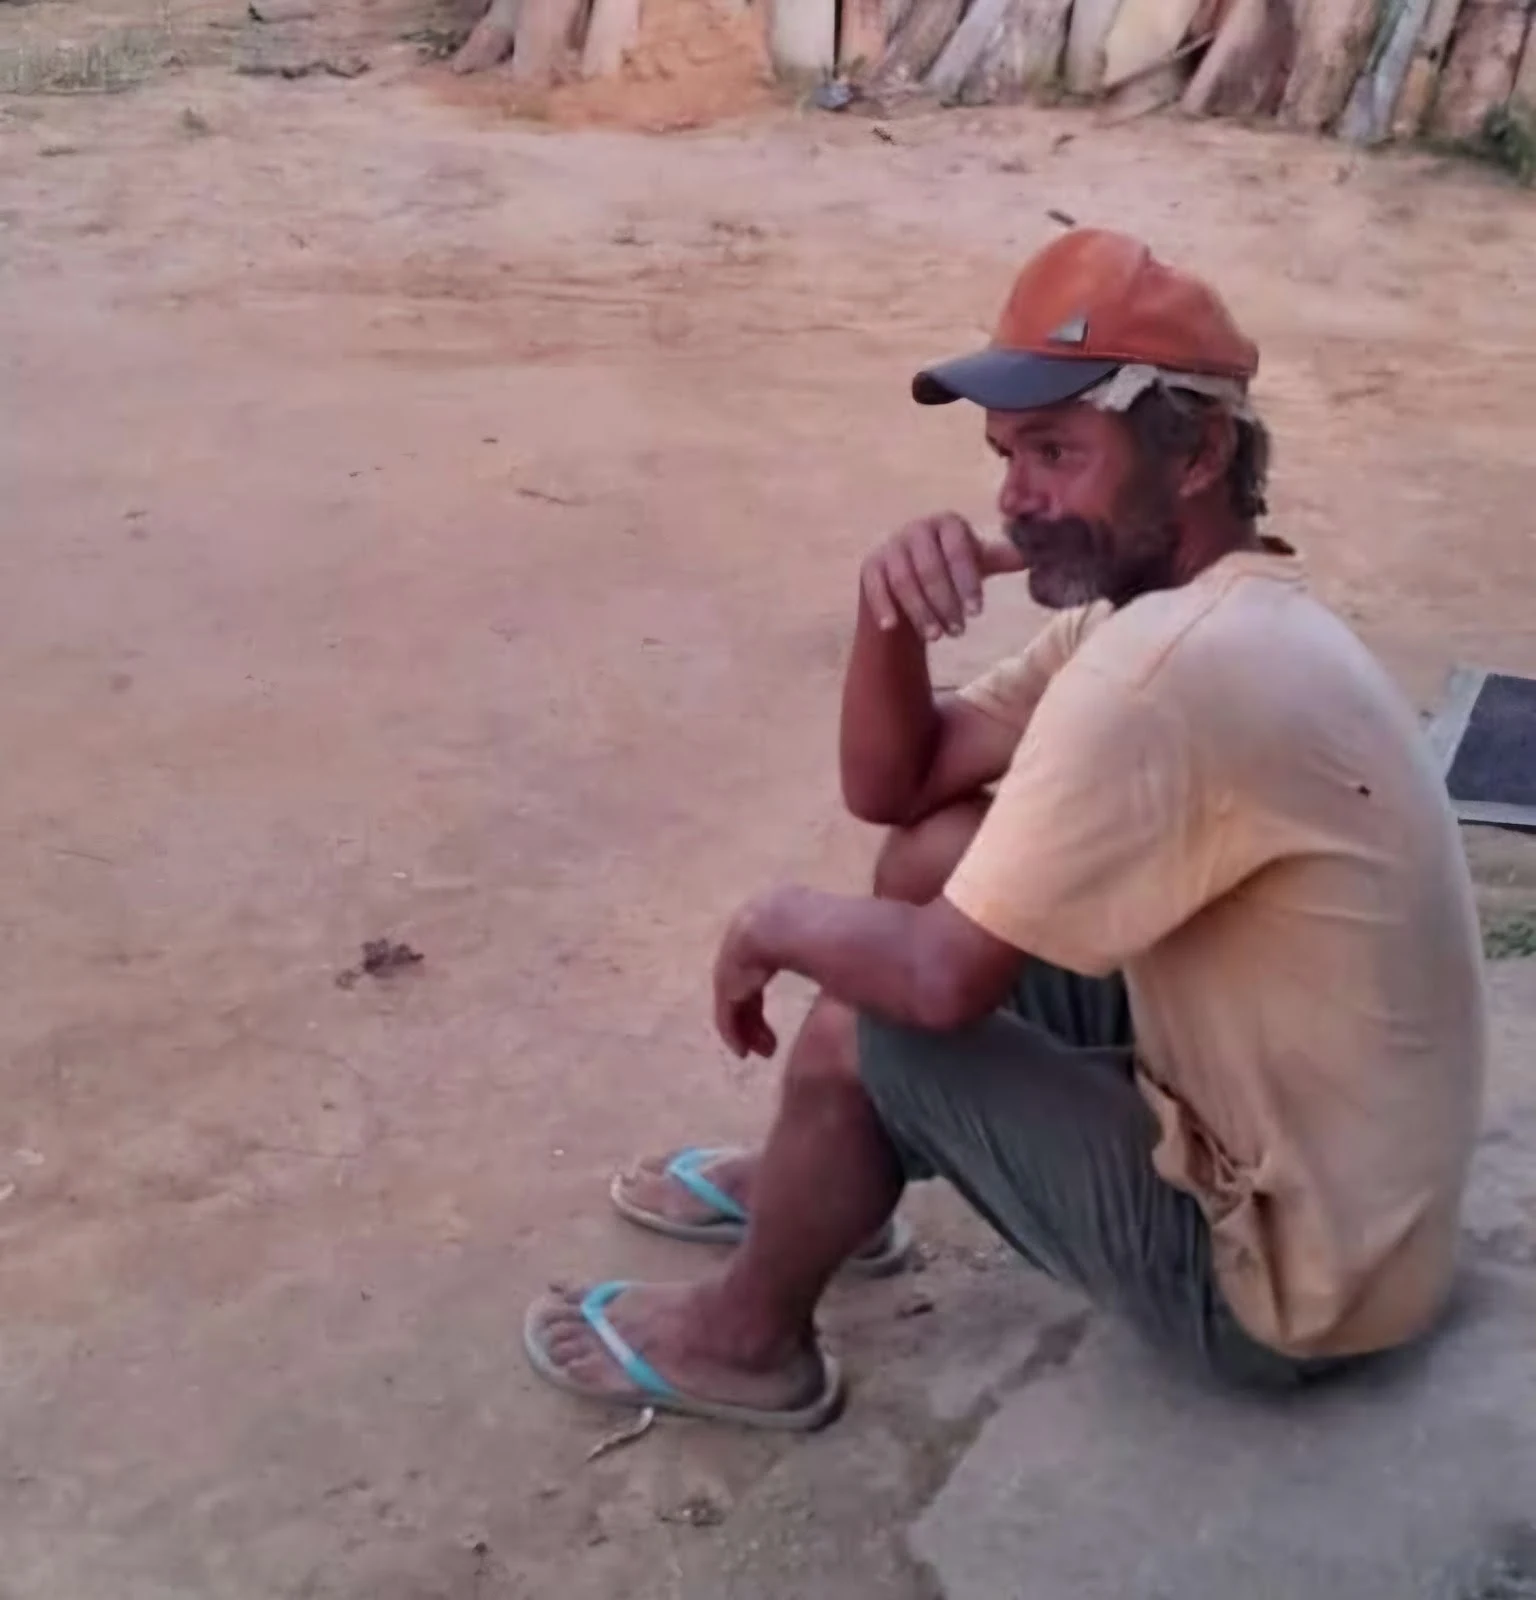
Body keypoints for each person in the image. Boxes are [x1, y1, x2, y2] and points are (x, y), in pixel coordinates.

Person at [523, 228, 1488, 1429]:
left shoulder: (1164, 672)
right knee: (935, 860)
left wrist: (771, 921)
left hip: (1291, 1291)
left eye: (1057, 452)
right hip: (1341, 1196)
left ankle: (746, 1342)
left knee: (884, 1013)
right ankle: (823, 1185)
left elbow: (936, 984)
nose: (1015, 497)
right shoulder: (1186, 613)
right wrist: (888, 608)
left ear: (1197, 453)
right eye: (1007, 454)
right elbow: (905, 785)